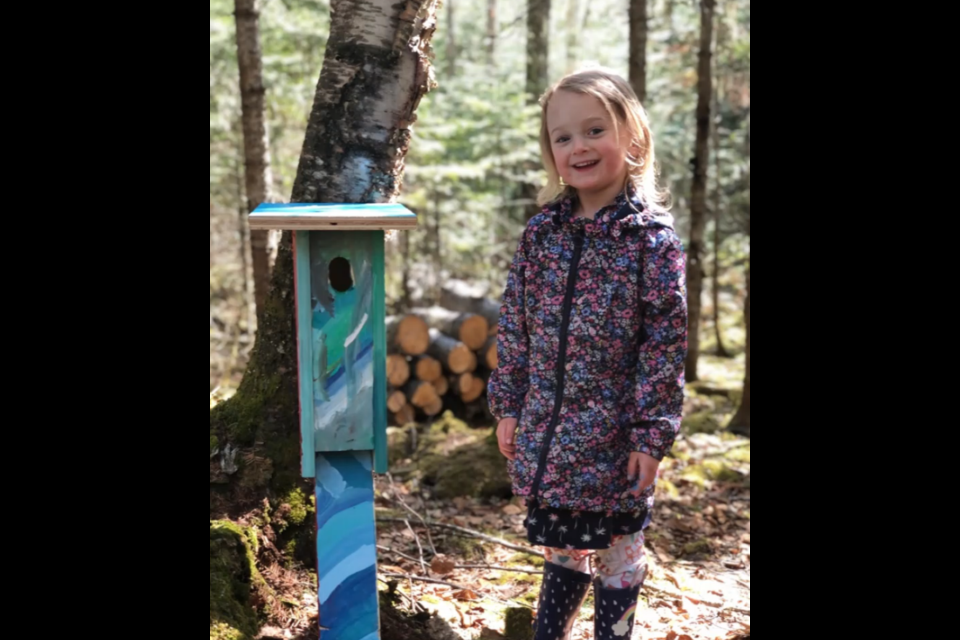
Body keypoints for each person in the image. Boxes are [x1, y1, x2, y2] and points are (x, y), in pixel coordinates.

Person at [487, 68, 688, 640]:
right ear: (550, 153)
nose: (578, 147)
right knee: (561, 545)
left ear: (633, 139)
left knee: (619, 548)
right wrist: (509, 405)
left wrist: (651, 435)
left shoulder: (650, 240)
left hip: (615, 436)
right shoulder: (541, 235)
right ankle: (550, 633)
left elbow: (664, 344)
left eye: (594, 129)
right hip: (549, 431)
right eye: (563, 137)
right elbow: (516, 325)